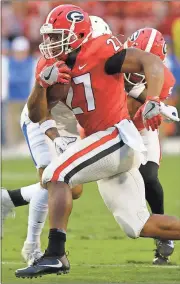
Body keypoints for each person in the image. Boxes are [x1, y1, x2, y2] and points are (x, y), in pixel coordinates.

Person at [15, 5, 180, 279]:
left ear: (78, 34)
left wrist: (152, 100)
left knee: (58, 173)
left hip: (117, 136)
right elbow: (35, 114)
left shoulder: (101, 51)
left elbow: (150, 63)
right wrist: (41, 86)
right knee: (139, 225)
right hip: (101, 142)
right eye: (50, 36)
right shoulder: (49, 65)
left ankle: (56, 254)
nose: (51, 43)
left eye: (58, 37)